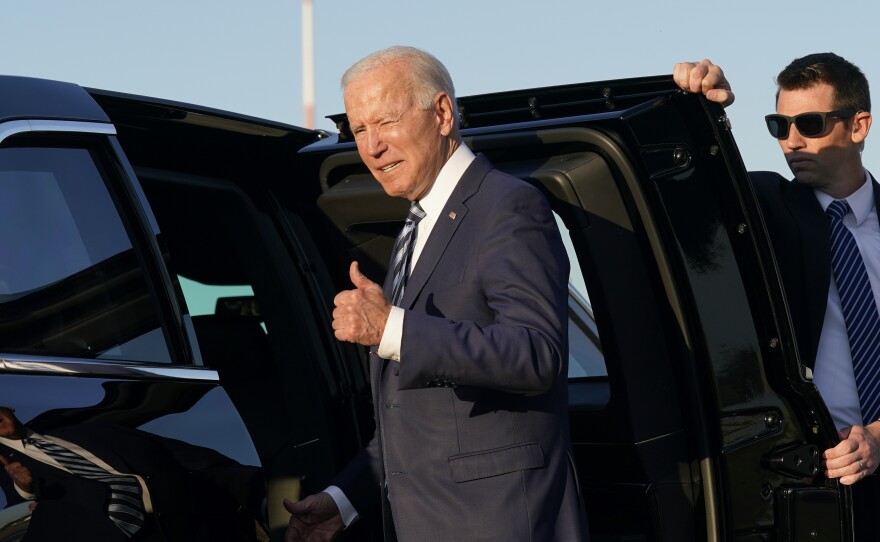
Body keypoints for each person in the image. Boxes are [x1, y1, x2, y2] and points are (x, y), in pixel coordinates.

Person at [283, 46, 588, 541]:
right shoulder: (416, 222)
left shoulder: (507, 206)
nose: (372, 146)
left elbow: (537, 354)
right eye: (360, 130)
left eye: (385, 121)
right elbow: (417, 419)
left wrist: (391, 328)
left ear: (443, 113)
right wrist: (345, 500)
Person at [674, 54, 880, 539]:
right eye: (779, 124)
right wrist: (702, 112)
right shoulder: (767, 207)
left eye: (809, 123)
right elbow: (697, 195)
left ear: (859, 125)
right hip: (814, 478)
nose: (791, 140)